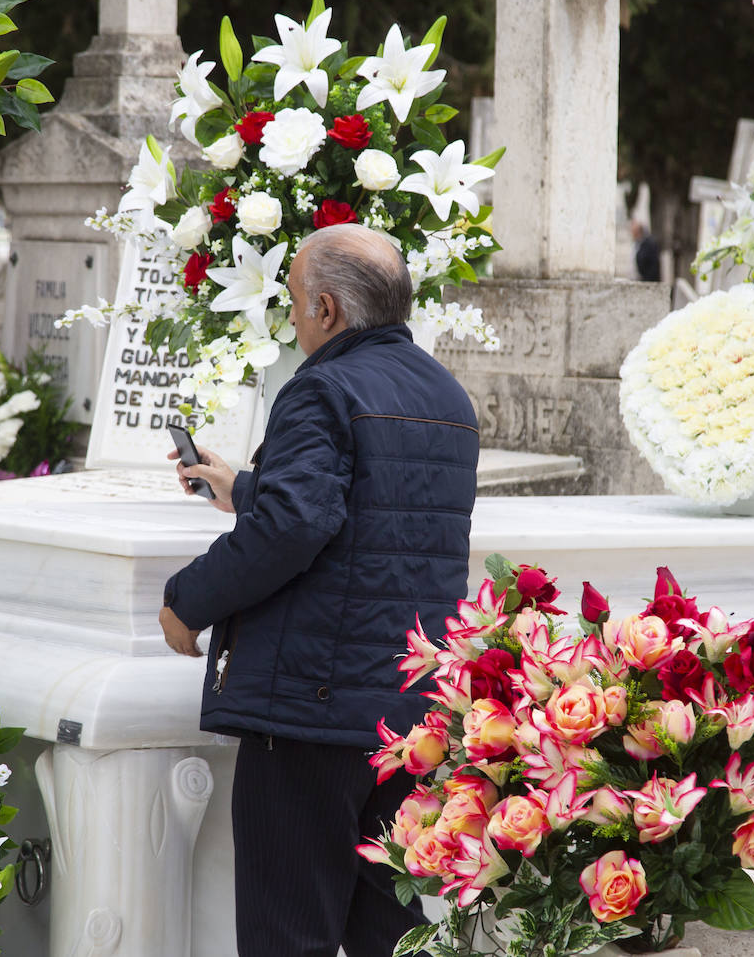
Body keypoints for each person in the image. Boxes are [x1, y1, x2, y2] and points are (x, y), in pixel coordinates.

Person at [158, 224, 479, 957]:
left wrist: (188, 601)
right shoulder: (447, 395)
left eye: (296, 301)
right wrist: (244, 485)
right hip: (407, 718)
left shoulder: (323, 387)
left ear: (328, 309)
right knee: (386, 934)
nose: (294, 318)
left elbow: (295, 526)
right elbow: (372, 508)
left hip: (310, 713)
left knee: (288, 935)